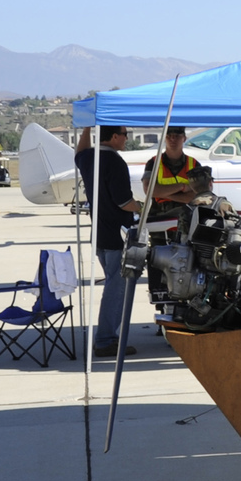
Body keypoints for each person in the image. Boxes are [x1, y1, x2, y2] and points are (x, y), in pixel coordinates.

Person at [74, 127, 144, 357]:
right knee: (117, 288)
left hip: (100, 234)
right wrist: (143, 207)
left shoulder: (88, 158)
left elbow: (79, 151)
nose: (127, 138)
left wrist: (87, 128)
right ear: (114, 137)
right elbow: (124, 202)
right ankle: (105, 340)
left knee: (113, 285)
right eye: (125, 134)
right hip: (117, 235)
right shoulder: (115, 162)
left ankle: (107, 337)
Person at [141, 126, 203, 226]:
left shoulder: (194, 164)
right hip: (159, 220)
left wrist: (161, 193)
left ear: (184, 138)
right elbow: (149, 191)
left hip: (186, 220)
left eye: (177, 136)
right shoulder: (153, 163)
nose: (172, 139)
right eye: (169, 136)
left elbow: (195, 197)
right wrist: (181, 187)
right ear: (164, 138)